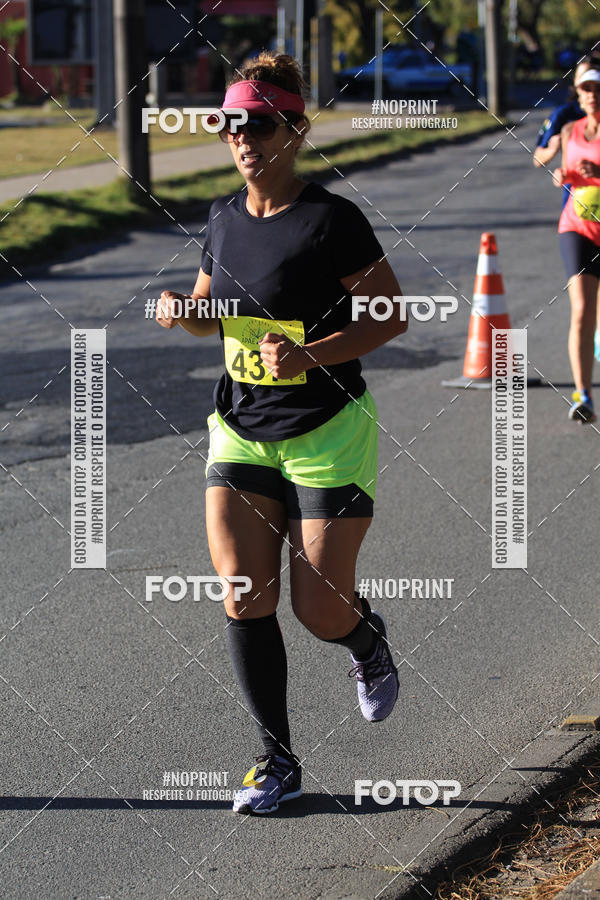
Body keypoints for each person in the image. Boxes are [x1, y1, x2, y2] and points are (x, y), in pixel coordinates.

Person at [156, 52, 408, 814]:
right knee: (243, 595)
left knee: (319, 609)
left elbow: (390, 315)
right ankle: (277, 762)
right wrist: (182, 309)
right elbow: (212, 312)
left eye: (260, 124)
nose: (244, 138)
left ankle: (365, 642)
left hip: (328, 428)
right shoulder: (224, 218)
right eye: (233, 124)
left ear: (296, 130)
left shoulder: (331, 220)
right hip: (241, 429)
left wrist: (312, 354)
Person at [535, 55, 600, 363]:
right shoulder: (564, 116)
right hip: (576, 216)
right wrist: (556, 150)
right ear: (576, 85)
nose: (591, 90)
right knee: (584, 301)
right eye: (584, 80)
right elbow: (538, 157)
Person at [554, 64, 600, 422]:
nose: (592, 94)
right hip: (578, 226)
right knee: (582, 309)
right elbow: (566, 170)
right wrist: (561, 174)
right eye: (586, 89)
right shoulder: (570, 130)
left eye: (597, 88)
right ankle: (582, 394)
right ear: (579, 94)